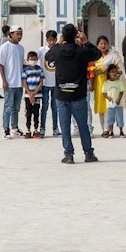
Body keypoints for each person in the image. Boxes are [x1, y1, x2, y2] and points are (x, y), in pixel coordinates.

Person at [49, 23, 101, 163]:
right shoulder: (82, 51)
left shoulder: (57, 51)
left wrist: (58, 43)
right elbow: (98, 54)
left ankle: (68, 154)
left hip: (61, 94)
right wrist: (86, 41)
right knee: (83, 125)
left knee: (65, 126)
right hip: (78, 94)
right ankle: (88, 153)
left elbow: (48, 56)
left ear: (63, 36)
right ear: (76, 35)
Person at [0, 26, 25, 137]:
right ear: (11, 34)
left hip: (19, 83)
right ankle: (6, 129)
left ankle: (14, 127)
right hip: (9, 83)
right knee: (8, 107)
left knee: (16, 107)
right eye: (17, 34)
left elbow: (21, 64)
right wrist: (4, 81)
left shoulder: (21, 48)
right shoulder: (5, 47)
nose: (19, 36)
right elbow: (1, 64)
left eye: (21, 34)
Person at [92, 37, 120, 134]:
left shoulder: (113, 55)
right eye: (101, 44)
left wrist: (112, 75)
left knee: (109, 107)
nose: (103, 46)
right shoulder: (94, 56)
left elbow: (120, 70)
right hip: (98, 85)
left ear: (108, 44)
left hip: (110, 86)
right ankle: (103, 129)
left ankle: (108, 129)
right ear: (97, 45)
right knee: (101, 108)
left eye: (105, 43)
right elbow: (90, 70)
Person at [39, 29, 59, 138]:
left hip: (56, 84)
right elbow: (31, 58)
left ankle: (55, 128)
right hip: (45, 83)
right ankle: (42, 128)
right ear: (47, 40)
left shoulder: (58, 50)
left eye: (53, 40)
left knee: (55, 107)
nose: (51, 42)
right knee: (45, 106)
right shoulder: (42, 50)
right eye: (50, 40)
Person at [21, 51, 44, 138]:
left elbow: (41, 83)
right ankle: (28, 130)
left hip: (37, 95)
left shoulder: (40, 69)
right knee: (28, 112)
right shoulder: (25, 70)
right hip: (28, 95)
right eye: (31, 59)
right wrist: (30, 93)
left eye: (34, 59)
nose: (33, 61)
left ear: (37, 60)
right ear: (28, 60)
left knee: (36, 112)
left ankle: (36, 129)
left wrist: (34, 93)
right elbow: (24, 82)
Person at [103, 65, 126, 137]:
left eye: (115, 72)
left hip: (119, 104)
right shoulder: (106, 83)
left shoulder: (119, 82)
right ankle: (111, 132)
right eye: (112, 72)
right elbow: (104, 93)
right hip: (110, 105)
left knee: (120, 118)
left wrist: (118, 100)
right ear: (108, 73)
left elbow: (121, 92)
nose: (114, 74)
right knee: (110, 118)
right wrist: (109, 98)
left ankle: (121, 131)